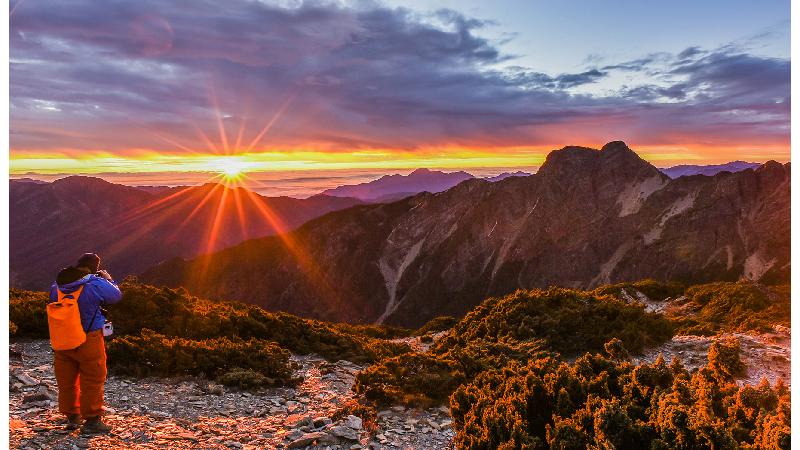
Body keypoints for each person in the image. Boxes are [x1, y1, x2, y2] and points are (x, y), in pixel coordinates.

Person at [49, 253, 122, 434]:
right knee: (93, 379)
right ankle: (92, 420)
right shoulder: (94, 284)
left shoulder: (56, 287)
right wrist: (108, 279)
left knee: (66, 381)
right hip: (89, 338)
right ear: (94, 268)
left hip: (63, 339)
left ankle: (72, 416)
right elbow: (115, 296)